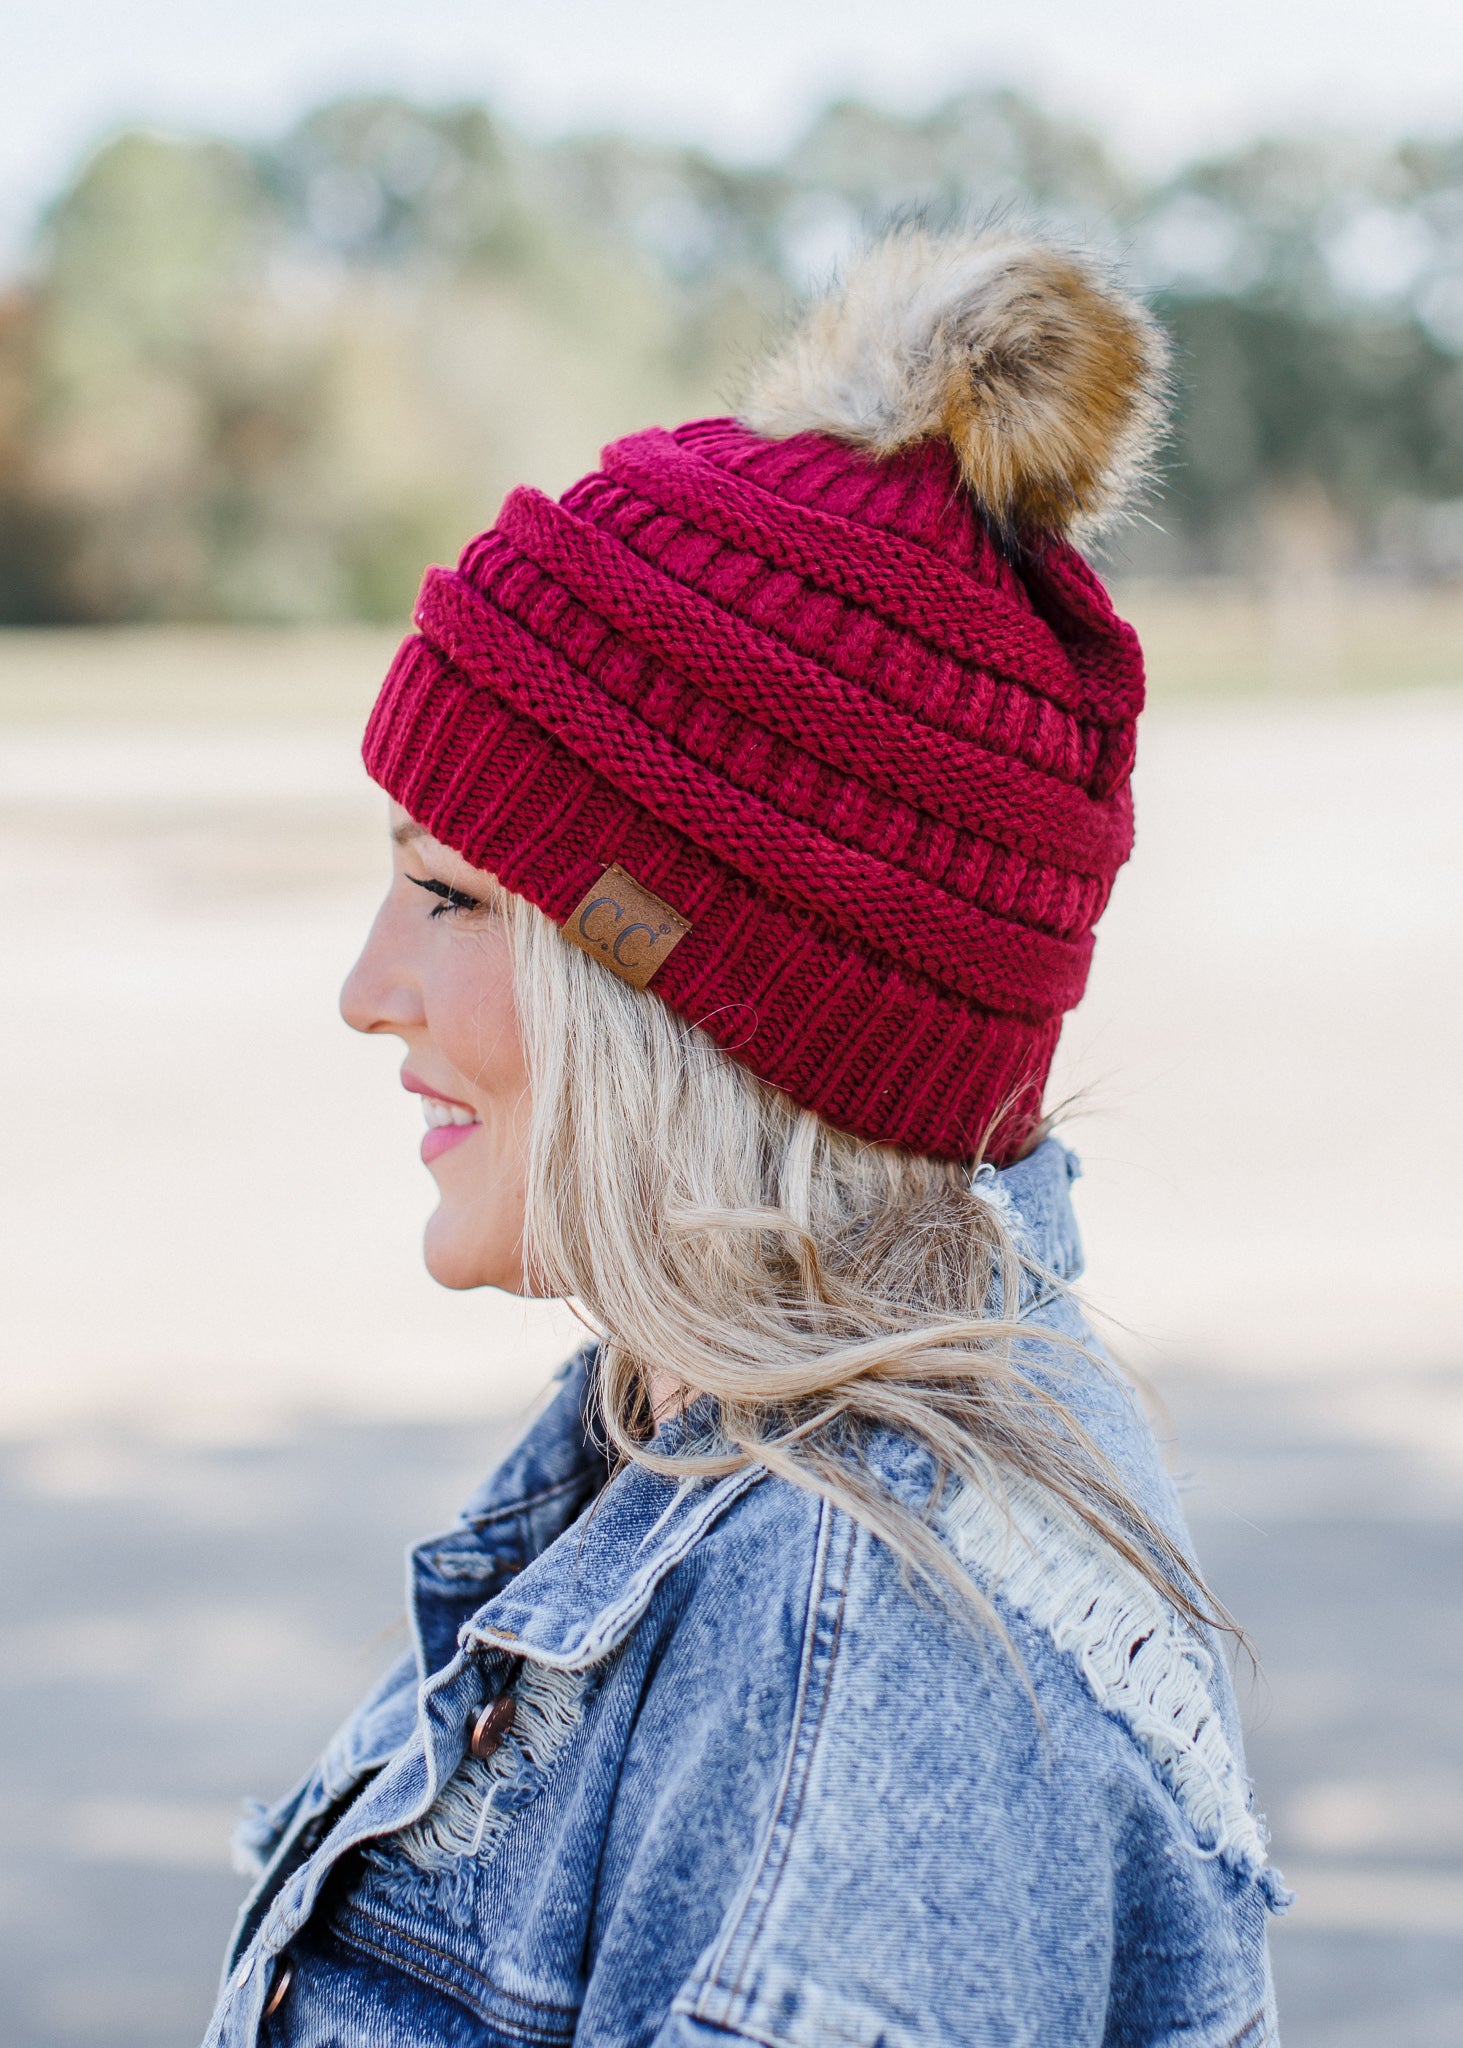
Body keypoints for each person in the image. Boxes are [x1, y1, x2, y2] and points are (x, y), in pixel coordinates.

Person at [205, 225, 1288, 2048]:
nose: (367, 987)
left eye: (453, 898)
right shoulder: (710, 1445)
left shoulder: (862, 1660)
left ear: (682, 1000)